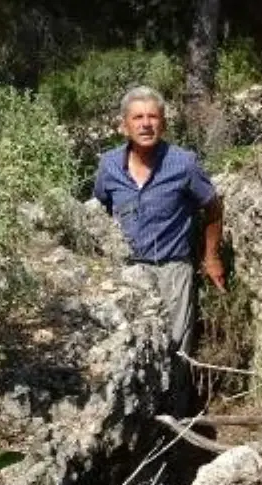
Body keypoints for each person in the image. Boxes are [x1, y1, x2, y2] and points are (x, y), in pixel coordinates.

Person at [92, 85, 226, 418]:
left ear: (163, 124)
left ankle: (177, 425)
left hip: (173, 270)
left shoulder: (183, 163)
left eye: (153, 117)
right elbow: (101, 208)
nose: (146, 124)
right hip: (125, 275)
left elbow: (212, 208)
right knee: (130, 355)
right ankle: (140, 425)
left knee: (176, 350)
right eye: (138, 117)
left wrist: (211, 257)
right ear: (124, 125)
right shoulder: (108, 166)